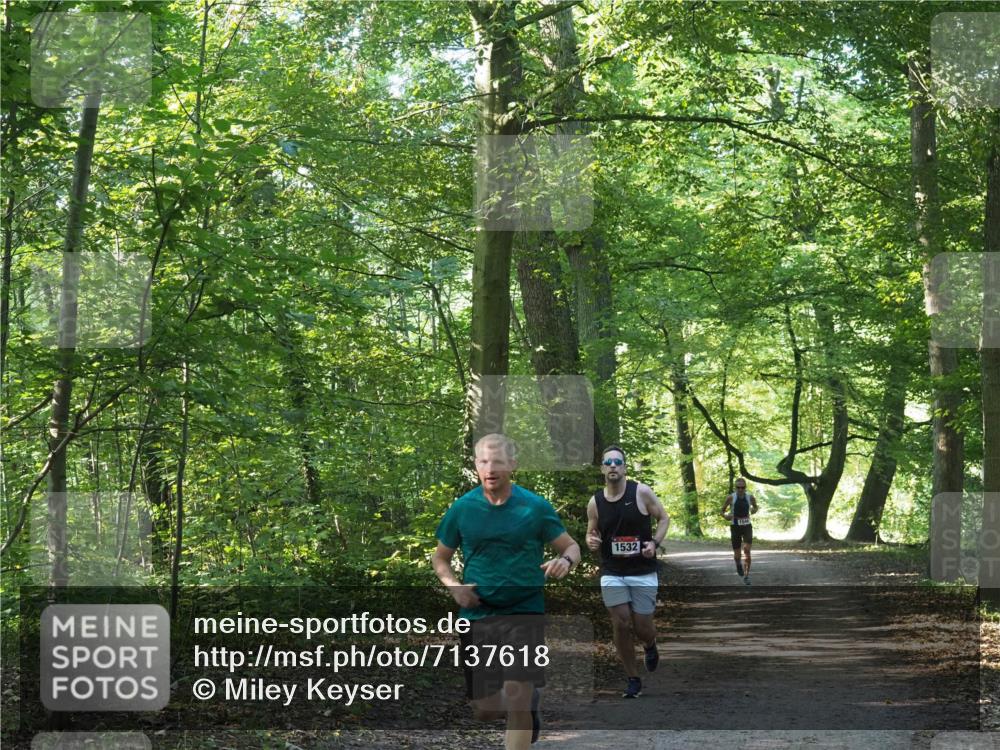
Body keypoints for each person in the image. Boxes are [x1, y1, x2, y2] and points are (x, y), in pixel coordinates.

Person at [432, 433, 581, 750]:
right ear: (476, 465)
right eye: (484, 461)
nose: (491, 468)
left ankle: (523, 702)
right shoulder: (463, 508)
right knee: (485, 710)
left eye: (498, 461)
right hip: (477, 613)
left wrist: (565, 560)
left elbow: (570, 545)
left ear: (512, 464)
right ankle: (526, 704)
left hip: (524, 610)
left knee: (517, 695)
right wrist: (455, 587)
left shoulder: (534, 507)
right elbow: (440, 557)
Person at [586, 445, 670, 699]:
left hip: (642, 571)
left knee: (642, 625)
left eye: (617, 462)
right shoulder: (595, 502)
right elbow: (591, 533)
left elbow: (664, 518)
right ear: (602, 468)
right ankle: (632, 678)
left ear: (624, 467)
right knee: (621, 622)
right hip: (612, 571)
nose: (613, 466)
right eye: (608, 462)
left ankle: (650, 644)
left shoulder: (641, 492)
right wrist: (591, 541)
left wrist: (653, 544)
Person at [721, 477, 758, 585]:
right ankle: (738, 564)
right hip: (735, 526)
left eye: (743, 487)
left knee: (747, 551)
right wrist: (726, 516)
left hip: (747, 526)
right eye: (738, 487)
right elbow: (722, 511)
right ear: (735, 488)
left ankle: (746, 576)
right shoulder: (730, 498)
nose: (740, 489)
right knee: (737, 555)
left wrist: (753, 510)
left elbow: (755, 508)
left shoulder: (750, 497)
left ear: (745, 487)